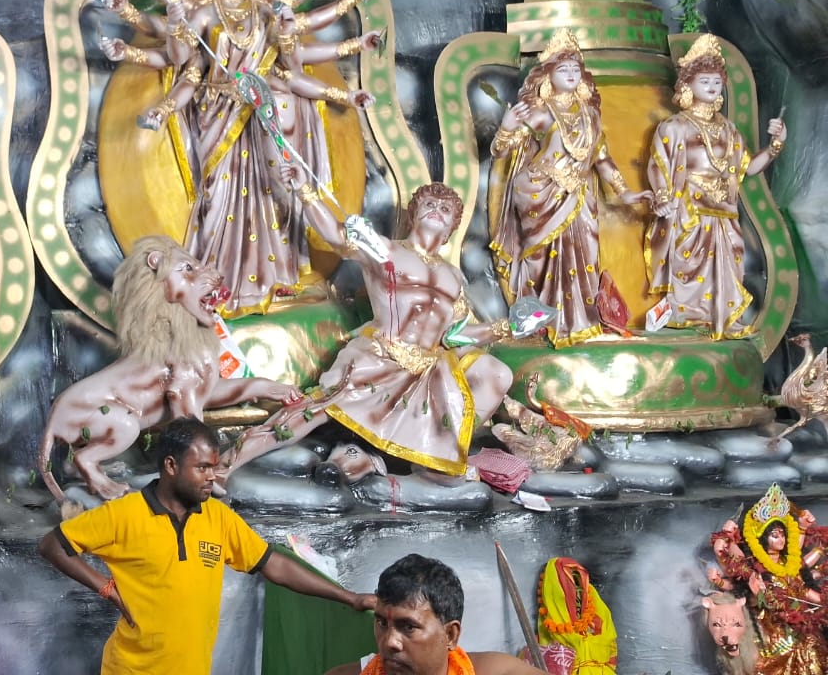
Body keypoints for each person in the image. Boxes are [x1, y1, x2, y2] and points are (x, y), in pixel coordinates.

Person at [106, 0, 376, 317]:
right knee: (219, 195)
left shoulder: (267, 13)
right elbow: (175, 34)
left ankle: (277, 278)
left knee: (274, 191)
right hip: (217, 111)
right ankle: (217, 280)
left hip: (263, 112)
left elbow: (303, 9)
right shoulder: (204, 13)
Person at [219, 180, 514, 480]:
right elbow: (336, 236)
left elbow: (454, 336)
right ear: (413, 214)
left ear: (453, 225)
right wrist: (307, 194)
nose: (437, 210)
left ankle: (434, 460)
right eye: (429, 204)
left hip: (426, 370)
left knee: (497, 373)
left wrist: (503, 328)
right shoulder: (385, 249)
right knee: (313, 410)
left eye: (446, 209)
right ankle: (228, 463)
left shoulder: (454, 277)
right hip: (380, 356)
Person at [37, 416, 376, 675]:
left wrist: (350, 598)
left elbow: (274, 564)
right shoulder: (122, 514)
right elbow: (52, 545)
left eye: (213, 468)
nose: (212, 477)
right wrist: (107, 588)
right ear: (171, 466)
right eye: (201, 468)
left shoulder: (217, 517)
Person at [489, 28, 646, 348]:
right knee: (543, 259)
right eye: (564, 69)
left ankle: (579, 321)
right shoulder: (539, 112)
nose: (572, 74)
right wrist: (505, 129)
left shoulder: (590, 116)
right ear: (548, 76)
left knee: (584, 255)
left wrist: (625, 192)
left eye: (576, 68)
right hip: (539, 193)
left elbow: (602, 158)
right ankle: (544, 321)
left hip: (579, 196)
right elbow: (503, 151)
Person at [644, 32, 786, 339]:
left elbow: (748, 168)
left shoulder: (729, 129)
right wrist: (665, 198)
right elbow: (659, 167)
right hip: (689, 211)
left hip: (723, 212)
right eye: (704, 80)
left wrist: (775, 146)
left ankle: (720, 317)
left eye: (716, 81)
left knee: (727, 268)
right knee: (688, 265)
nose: (711, 86)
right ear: (687, 85)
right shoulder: (674, 127)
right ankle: (687, 316)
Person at [325, 554, 548, 675]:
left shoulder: (497, 671)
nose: (390, 641)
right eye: (382, 623)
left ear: (450, 635)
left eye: (408, 627)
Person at [707, 484, 828, 674]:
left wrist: (824, 600)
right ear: (762, 539)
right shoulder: (755, 567)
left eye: (783, 535)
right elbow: (745, 588)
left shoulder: (792, 564)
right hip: (770, 629)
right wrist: (726, 539)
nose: (781, 540)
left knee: (813, 645)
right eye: (775, 535)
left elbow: (804, 592)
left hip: (800, 626)